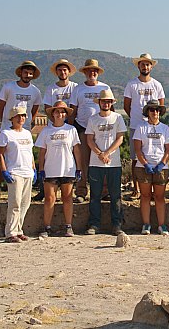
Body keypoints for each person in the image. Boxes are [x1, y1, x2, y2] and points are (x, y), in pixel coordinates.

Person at [0, 61, 42, 200]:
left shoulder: (35, 91)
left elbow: (35, 110)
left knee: (25, 155)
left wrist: (27, 123)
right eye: (25, 72)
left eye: (30, 73)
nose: (28, 75)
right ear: (20, 72)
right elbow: (0, 106)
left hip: (24, 128)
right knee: (2, 156)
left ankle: (22, 188)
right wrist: (6, 121)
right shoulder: (8, 87)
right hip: (8, 127)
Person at [35, 101, 82, 237]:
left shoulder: (71, 130)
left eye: (63, 112)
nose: (60, 114)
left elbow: (77, 150)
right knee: (50, 198)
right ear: (53, 114)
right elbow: (42, 152)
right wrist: (41, 169)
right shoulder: (46, 131)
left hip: (67, 168)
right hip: (50, 169)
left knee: (67, 198)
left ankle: (68, 226)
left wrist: (79, 168)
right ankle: (46, 227)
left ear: (66, 115)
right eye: (57, 111)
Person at [34, 58, 78, 202]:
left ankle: (74, 189)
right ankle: (44, 191)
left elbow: (75, 106)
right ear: (56, 72)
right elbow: (47, 108)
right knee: (47, 157)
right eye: (60, 70)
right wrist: (57, 122)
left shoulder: (75, 87)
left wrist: (67, 122)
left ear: (69, 72)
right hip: (53, 125)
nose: (62, 72)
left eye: (65, 70)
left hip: (71, 125)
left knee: (71, 158)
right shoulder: (51, 89)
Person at [84, 89, 127, 235]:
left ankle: (117, 225)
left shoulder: (118, 118)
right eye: (104, 101)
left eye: (109, 101)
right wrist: (99, 154)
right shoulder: (93, 119)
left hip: (113, 163)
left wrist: (107, 153)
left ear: (111, 103)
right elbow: (89, 139)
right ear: (99, 103)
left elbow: (120, 138)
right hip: (96, 163)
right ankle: (94, 224)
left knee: (115, 195)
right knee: (95, 195)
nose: (106, 103)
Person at [124, 53, 166, 200]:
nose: (145, 66)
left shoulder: (157, 85)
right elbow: (126, 106)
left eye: (148, 64)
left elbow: (161, 105)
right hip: (137, 125)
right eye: (142, 64)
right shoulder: (131, 84)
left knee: (154, 155)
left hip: (153, 126)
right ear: (138, 66)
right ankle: (136, 188)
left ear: (151, 66)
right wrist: (137, 117)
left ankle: (153, 188)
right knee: (136, 158)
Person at [69, 59, 112, 203]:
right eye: (89, 70)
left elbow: (110, 110)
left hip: (101, 131)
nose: (92, 73)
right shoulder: (78, 89)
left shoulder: (105, 87)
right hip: (82, 128)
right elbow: (73, 110)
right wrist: (71, 129)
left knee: (103, 159)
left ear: (98, 73)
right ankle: (81, 191)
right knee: (82, 162)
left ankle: (104, 191)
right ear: (85, 72)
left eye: (94, 71)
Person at [134, 99, 169, 236]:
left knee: (160, 196)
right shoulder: (140, 127)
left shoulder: (165, 128)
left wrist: (162, 163)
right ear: (147, 112)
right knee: (145, 196)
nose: (155, 112)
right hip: (143, 167)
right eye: (152, 110)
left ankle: (162, 225)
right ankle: (146, 224)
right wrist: (145, 163)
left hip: (161, 167)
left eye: (157, 110)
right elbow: (137, 149)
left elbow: (168, 149)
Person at [0, 106, 36, 242]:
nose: (21, 118)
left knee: (25, 203)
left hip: (27, 172)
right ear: (12, 118)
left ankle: (19, 229)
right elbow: (0, 154)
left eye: (23, 116)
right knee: (15, 203)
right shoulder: (6, 134)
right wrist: (4, 171)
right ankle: (10, 233)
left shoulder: (27, 133)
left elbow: (30, 153)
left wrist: (34, 169)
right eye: (18, 116)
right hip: (15, 172)